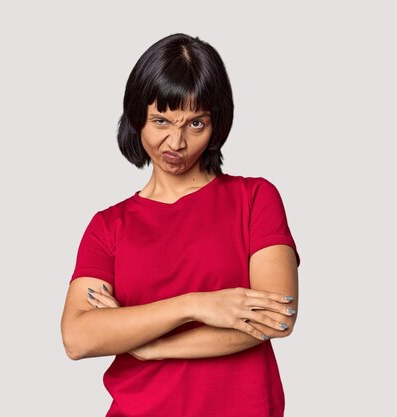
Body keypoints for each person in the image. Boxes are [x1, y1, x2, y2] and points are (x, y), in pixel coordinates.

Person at [61, 33, 300, 417]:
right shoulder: (109, 226)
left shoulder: (255, 198)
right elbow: (78, 338)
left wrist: (149, 344)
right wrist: (195, 306)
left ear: (216, 122)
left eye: (196, 123)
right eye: (161, 121)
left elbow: (277, 317)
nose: (176, 142)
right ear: (137, 115)